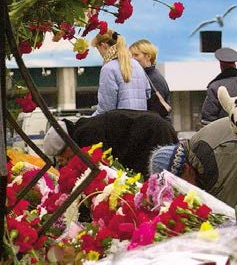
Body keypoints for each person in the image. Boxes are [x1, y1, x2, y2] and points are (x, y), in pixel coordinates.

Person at [43, 109, 178, 177]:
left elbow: (103, 169)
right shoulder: (83, 129)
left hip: (152, 134)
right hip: (155, 129)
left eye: (63, 160)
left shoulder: (86, 135)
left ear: (68, 147)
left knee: (164, 181)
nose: (65, 164)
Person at [91, 30, 151, 115]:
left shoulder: (108, 68)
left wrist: (89, 119)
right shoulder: (137, 65)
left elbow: (106, 108)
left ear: (103, 45)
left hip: (120, 120)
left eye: (97, 48)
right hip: (141, 119)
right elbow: (148, 93)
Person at [200, 47, 237, 126]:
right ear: (235, 64)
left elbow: (208, 118)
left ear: (221, 65)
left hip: (225, 132)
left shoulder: (215, 87)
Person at [129, 39, 173, 121]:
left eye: (136, 55)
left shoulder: (153, 79)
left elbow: (156, 111)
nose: (132, 59)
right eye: (130, 55)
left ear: (148, 57)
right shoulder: (149, 75)